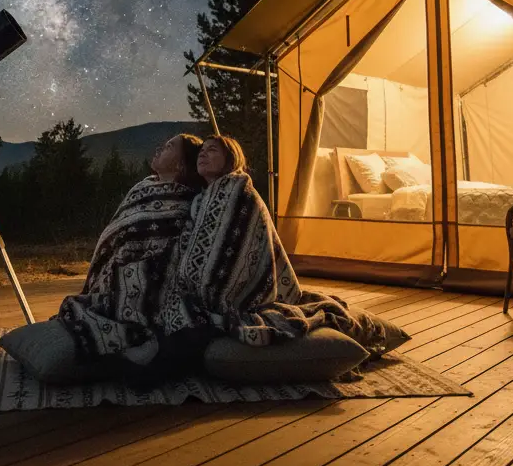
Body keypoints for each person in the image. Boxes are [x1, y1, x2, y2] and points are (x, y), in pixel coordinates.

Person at [159, 134, 392, 357]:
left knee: (188, 319)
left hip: (240, 290)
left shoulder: (239, 190)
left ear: (230, 159)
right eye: (202, 150)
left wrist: (212, 285)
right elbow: (192, 244)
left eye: (212, 150)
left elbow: (239, 245)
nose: (203, 154)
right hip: (198, 288)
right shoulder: (200, 200)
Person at [55, 133, 205, 365]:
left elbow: (169, 248)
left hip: (151, 286)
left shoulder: (186, 201)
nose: (159, 148)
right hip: (112, 275)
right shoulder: (143, 187)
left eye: (168, 146)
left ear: (181, 163)